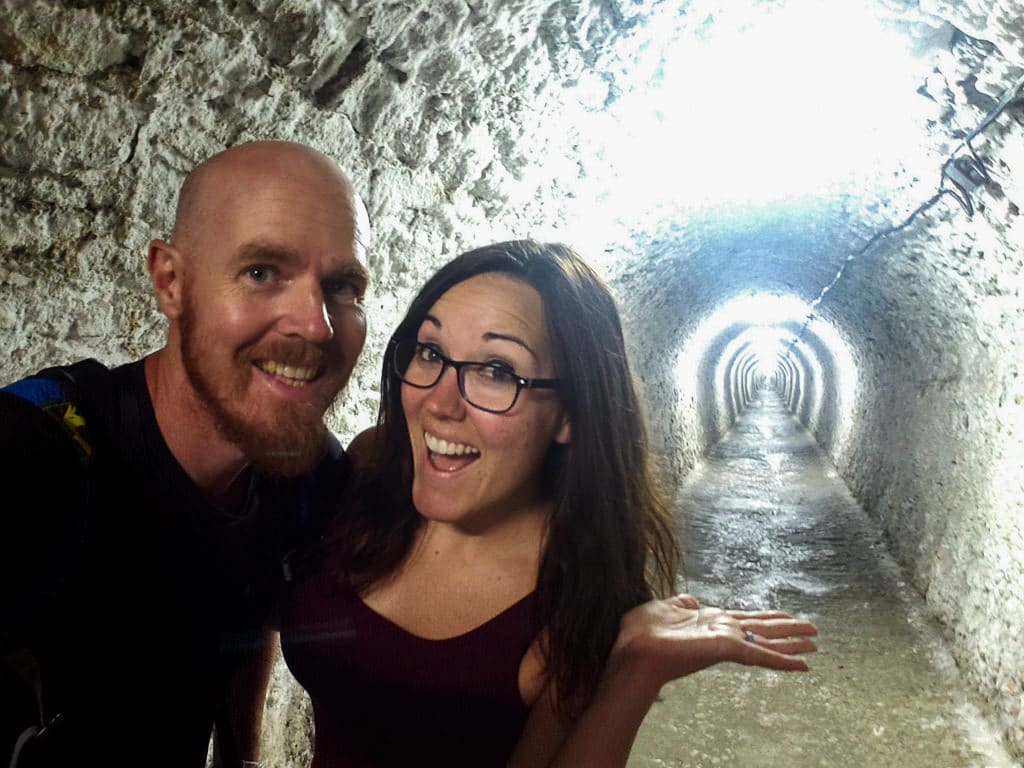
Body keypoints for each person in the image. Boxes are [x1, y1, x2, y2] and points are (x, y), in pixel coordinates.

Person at [278, 240, 818, 767]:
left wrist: (635, 671)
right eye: (431, 352)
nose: (440, 403)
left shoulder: (575, 590)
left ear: (570, 415)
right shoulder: (373, 467)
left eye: (497, 372)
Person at [0, 140, 371, 767]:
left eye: (342, 286)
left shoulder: (307, 477)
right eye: (262, 272)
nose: (316, 325)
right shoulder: (41, 452)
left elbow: (251, 609)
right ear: (170, 282)